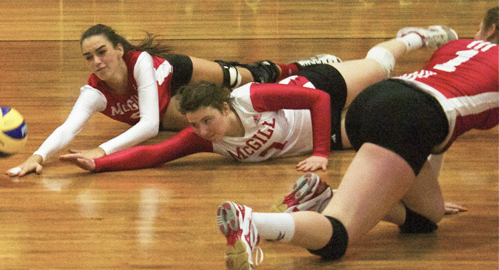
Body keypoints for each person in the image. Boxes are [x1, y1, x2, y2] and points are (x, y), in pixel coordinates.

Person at [215, 8, 498, 270]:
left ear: (490, 31)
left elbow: (437, 127)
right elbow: (433, 118)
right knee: (337, 236)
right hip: (408, 117)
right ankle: (252, 222)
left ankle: (321, 197)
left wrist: (424, 189)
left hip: (377, 100)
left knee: (427, 216)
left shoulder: (458, 46)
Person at [60, 24, 456, 174]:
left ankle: (411, 39)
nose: (200, 131)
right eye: (195, 124)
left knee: (379, 67)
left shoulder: (251, 99)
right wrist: (98, 163)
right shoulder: (204, 138)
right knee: (401, 112)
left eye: (206, 122)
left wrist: (318, 152)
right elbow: (153, 154)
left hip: (316, 88)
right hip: (335, 131)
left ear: (226, 107)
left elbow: (317, 100)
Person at [5, 24, 340, 177]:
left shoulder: (139, 63)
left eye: (102, 52)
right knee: (197, 126)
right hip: (164, 109)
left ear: (119, 50)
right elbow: (68, 129)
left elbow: (147, 123)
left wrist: (103, 150)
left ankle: (299, 67)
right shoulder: (94, 92)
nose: (96, 61)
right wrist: (37, 157)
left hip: (177, 73)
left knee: (246, 78)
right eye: (88, 57)